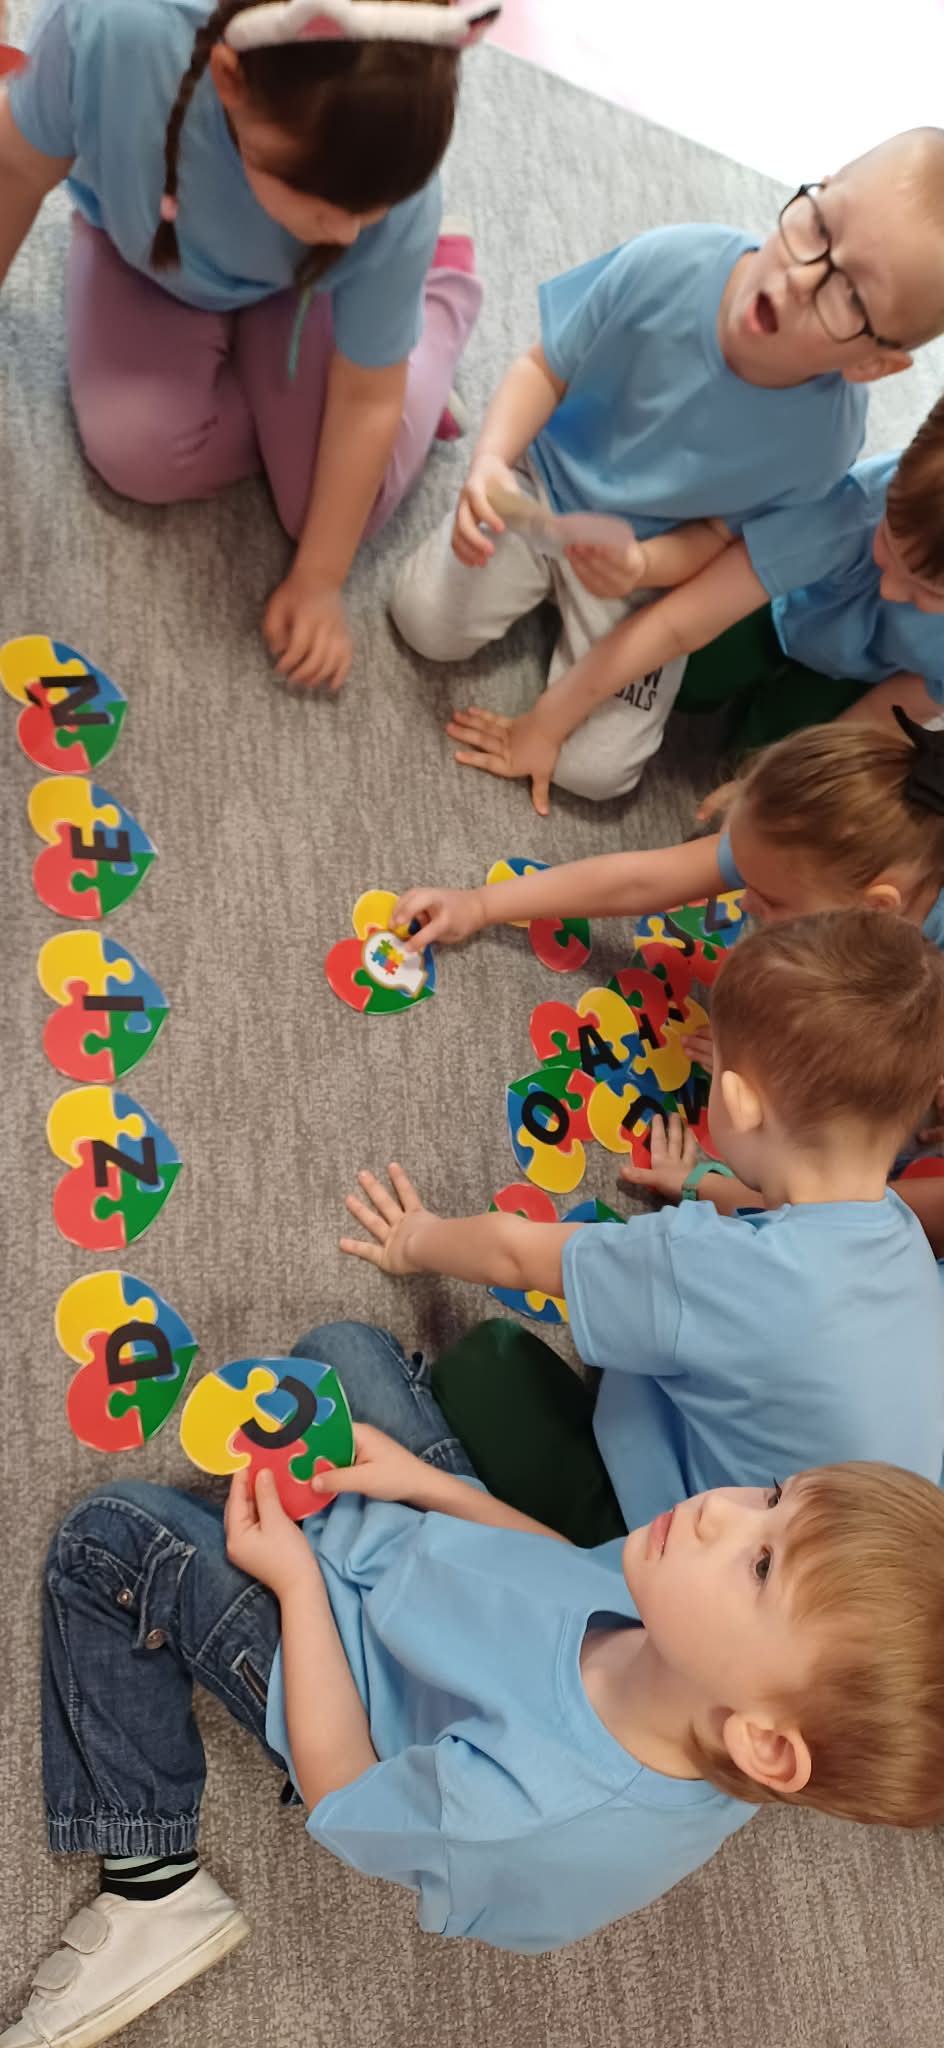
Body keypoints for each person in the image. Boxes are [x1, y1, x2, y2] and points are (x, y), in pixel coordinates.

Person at [6, 1325, 944, 2048]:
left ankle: (150, 1878)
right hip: (442, 1566)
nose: (718, 1513)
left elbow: (343, 1786)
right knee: (344, 1351)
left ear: (765, 1744)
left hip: (343, 1682)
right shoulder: (695, 1635)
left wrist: (295, 1583)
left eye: (762, 1565)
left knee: (108, 1536)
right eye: (772, 1494)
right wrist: (425, 1484)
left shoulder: (525, 1811)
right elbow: (561, 1570)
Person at [339, 911, 944, 1543]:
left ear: (739, 1103)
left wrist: (414, 1239)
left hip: (677, 1563)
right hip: (844, 1564)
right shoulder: (906, 1235)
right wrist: (697, 1183)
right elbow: (797, 1223)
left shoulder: (708, 1263)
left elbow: (515, 1255)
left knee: (484, 1364)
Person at [389, 132, 944, 810]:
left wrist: (642, 568)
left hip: (647, 577)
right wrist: (490, 464)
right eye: (820, 225)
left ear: (872, 365)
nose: (802, 278)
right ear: (819, 185)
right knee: (422, 622)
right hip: (541, 491)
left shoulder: (827, 444)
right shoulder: (671, 263)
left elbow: (716, 540)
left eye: (851, 298)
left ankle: (573, 623)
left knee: (597, 773)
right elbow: (542, 368)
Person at [0, 0, 491, 686]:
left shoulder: (376, 204)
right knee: (136, 454)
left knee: (343, 508)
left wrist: (320, 578)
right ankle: (315, 367)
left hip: (308, 290)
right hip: (147, 250)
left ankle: (438, 295)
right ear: (228, 78)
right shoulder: (113, 29)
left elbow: (368, 398)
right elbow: (15, 171)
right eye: (322, 200)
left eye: (371, 209)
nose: (348, 232)